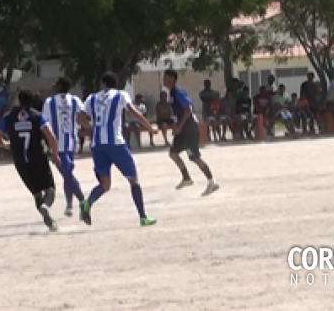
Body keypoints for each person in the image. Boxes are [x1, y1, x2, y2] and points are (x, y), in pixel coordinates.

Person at [77, 72, 157, 227]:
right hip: (115, 143)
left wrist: (92, 127)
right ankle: (143, 216)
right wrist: (149, 127)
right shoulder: (121, 95)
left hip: (97, 145)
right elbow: (134, 113)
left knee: (105, 185)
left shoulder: (91, 98)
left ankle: (87, 202)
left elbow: (80, 118)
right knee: (133, 179)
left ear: (103, 83)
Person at [0, 89, 61, 231]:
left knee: (36, 192)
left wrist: (6, 145)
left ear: (19, 100)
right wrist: (55, 154)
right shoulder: (37, 116)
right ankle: (46, 206)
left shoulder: (8, 117)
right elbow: (51, 136)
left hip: (20, 160)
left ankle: (48, 219)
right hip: (37, 157)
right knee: (50, 189)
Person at [163, 69, 219, 196]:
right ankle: (186, 178)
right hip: (182, 130)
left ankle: (212, 182)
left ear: (172, 79)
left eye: (165, 77)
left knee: (194, 157)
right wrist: (175, 124)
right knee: (173, 153)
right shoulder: (171, 92)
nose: (163, 80)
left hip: (189, 129)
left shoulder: (178, 91)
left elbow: (188, 109)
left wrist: (180, 126)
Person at [42, 77, 86, 218]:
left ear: (60, 86)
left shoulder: (49, 102)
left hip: (57, 145)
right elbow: (83, 117)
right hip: (71, 143)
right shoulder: (75, 100)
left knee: (67, 174)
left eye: (55, 84)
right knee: (67, 174)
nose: (53, 86)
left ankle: (83, 202)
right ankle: (70, 205)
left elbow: (44, 124)